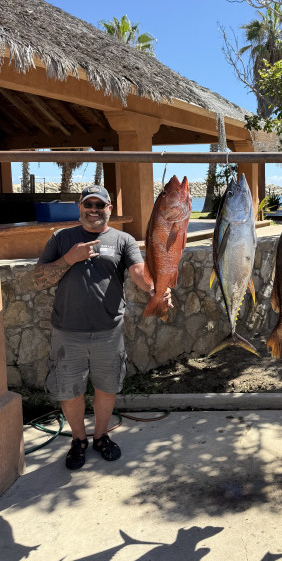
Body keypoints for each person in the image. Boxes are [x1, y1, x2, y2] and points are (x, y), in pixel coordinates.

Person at [34, 185, 172, 470]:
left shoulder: (123, 240)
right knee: (69, 389)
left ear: (109, 208)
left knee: (106, 387)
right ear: (80, 207)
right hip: (67, 331)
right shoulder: (61, 238)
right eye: (89, 204)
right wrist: (70, 258)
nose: (94, 210)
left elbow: (138, 271)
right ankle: (78, 439)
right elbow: (39, 278)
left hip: (109, 331)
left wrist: (154, 289)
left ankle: (100, 436)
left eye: (100, 205)